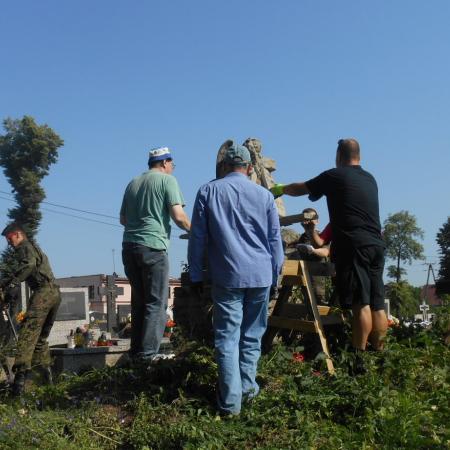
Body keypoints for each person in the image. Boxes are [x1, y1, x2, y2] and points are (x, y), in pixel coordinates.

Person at [188, 142, 284, 415]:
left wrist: (196, 274)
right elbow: (274, 239)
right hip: (261, 274)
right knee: (252, 336)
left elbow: (198, 237)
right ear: (250, 168)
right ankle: (249, 393)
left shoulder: (208, 190)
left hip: (227, 275)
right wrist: (276, 276)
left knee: (227, 339)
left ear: (225, 166)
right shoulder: (265, 196)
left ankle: (231, 405)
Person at [271, 138, 387, 354]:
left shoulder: (335, 175)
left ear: (339, 156)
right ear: (359, 156)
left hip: (355, 247)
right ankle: (380, 354)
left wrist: (280, 188)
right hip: (376, 245)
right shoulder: (370, 178)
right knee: (377, 304)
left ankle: (358, 358)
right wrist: (312, 231)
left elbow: (301, 188)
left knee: (361, 303)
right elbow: (321, 240)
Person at [120, 146, 190, 362]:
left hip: (129, 247)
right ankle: (148, 355)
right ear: (165, 162)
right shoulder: (168, 181)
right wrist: (200, 232)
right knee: (157, 303)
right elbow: (178, 217)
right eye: (172, 165)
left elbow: (123, 219)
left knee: (139, 302)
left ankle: (136, 352)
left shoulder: (133, 182)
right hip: (153, 247)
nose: (172, 168)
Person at [0, 222, 61, 395]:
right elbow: (27, 267)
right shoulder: (33, 247)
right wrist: (6, 283)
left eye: (9, 238)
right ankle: (47, 381)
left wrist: (13, 283)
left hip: (43, 293)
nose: (9, 243)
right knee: (40, 340)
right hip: (54, 293)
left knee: (27, 334)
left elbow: (29, 265)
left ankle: (18, 386)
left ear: (18, 234)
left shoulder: (25, 247)